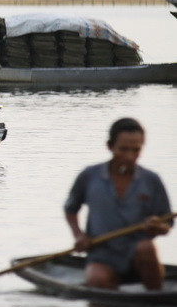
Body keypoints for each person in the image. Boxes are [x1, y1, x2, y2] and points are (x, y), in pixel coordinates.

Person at [64, 118, 171, 290]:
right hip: (103, 255)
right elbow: (70, 209)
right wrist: (79, 235)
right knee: (98, 279)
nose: (129, 157)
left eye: (136, 150)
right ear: (110, 146)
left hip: (139, 257)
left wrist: (157, 227)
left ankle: (154, 303)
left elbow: (167, 224)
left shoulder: (151, 180)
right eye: (123, 149)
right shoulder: (90, 176)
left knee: (146, 248)